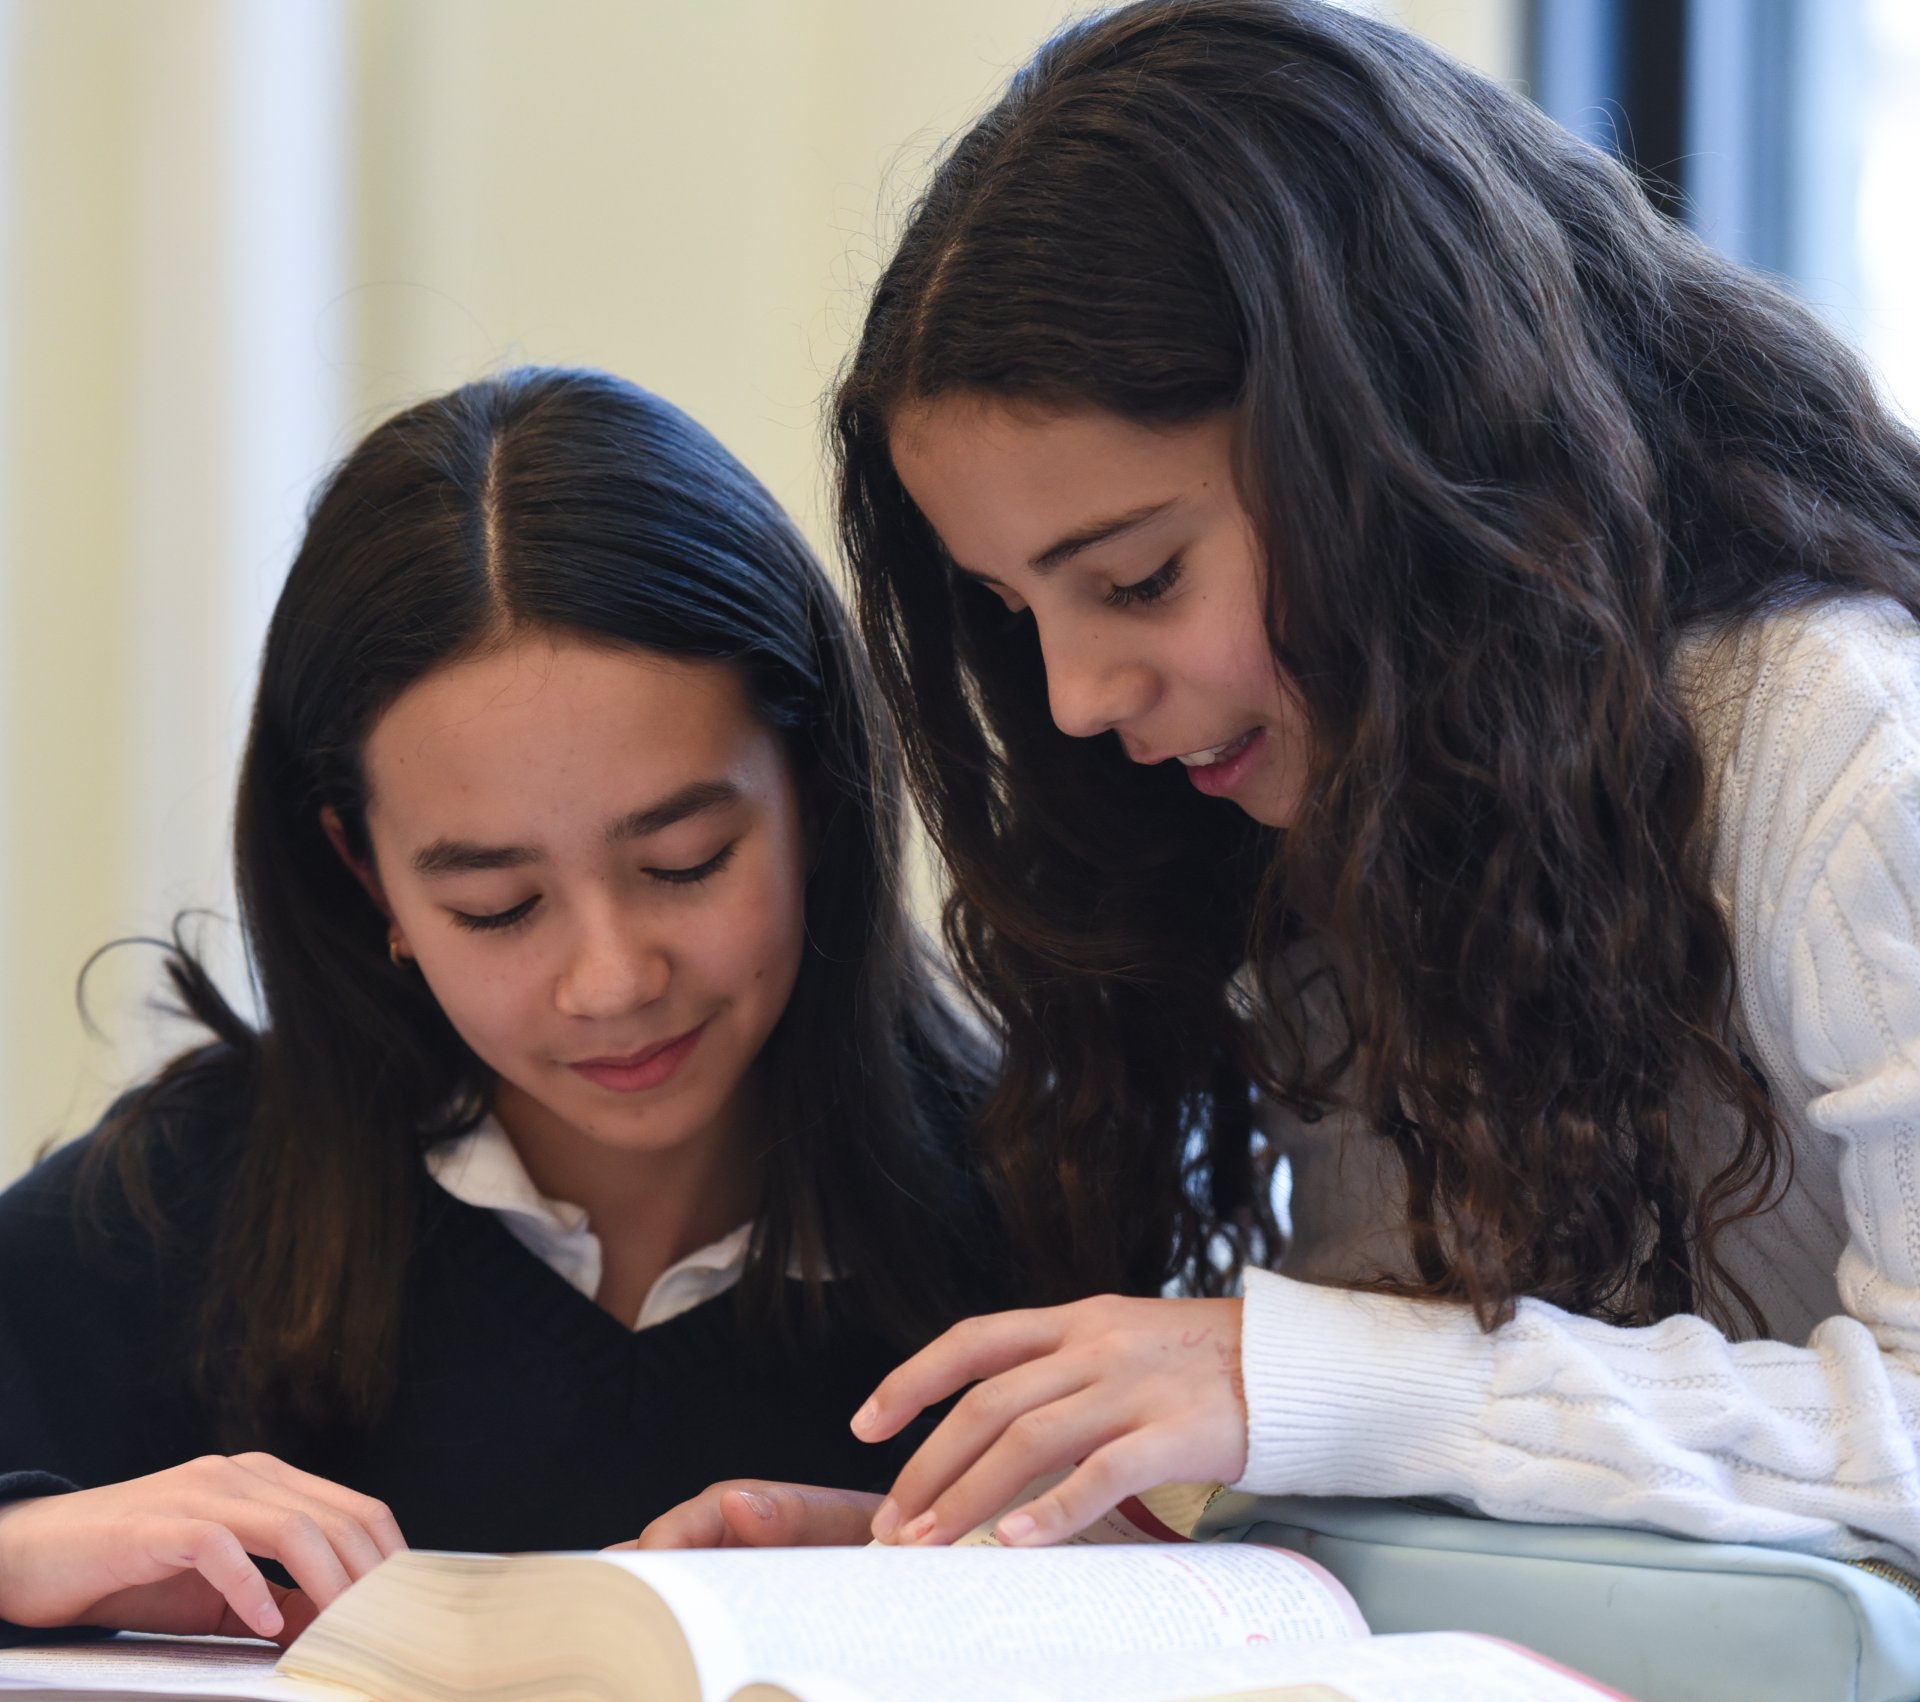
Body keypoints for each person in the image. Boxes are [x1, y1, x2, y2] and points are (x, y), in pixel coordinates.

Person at [647, 0, 1920, 1565]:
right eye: (1013, 612)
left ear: (1394, 438)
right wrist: (992, 1578)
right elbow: (1484, 1499)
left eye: (1138, 578)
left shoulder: (1843, 733)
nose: (1077, 699)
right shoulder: (1324, 805)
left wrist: (1310, 1374)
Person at [0, 367, 993, 1642]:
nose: (612, 980)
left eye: (684, 862)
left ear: (816, 790)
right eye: (497, 905)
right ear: (369, 876)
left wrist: (1002, 1585)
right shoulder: (175, 1208)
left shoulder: (1042, 1204)